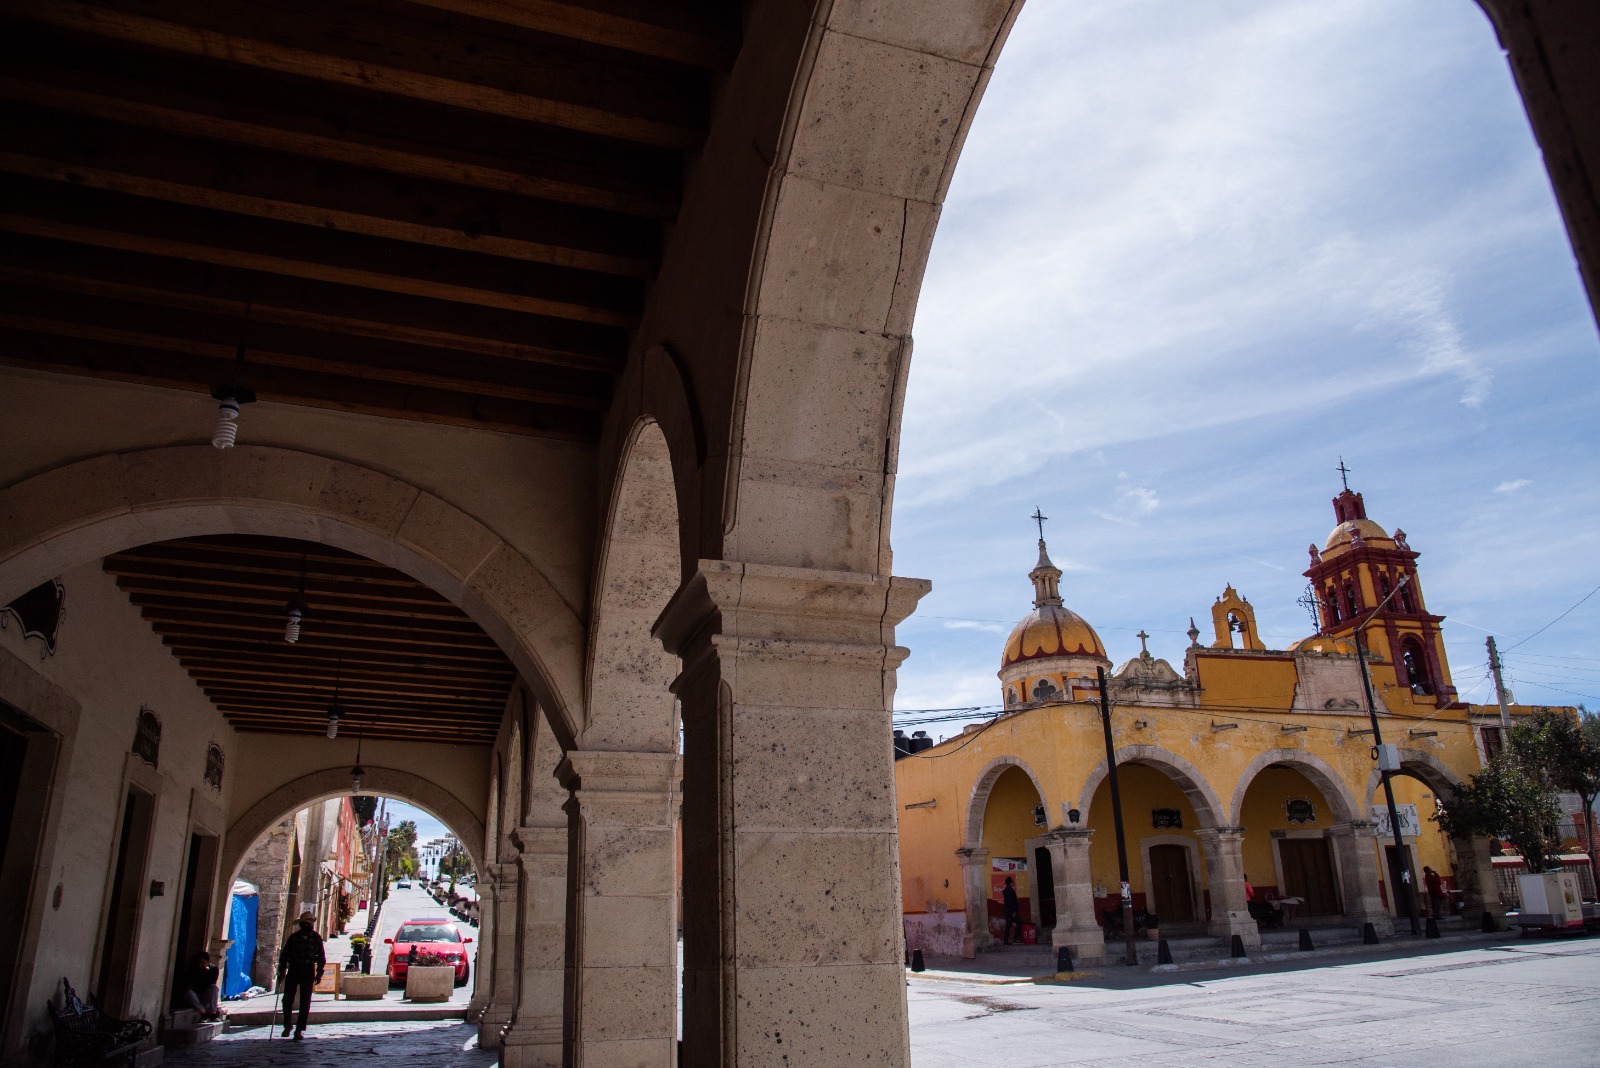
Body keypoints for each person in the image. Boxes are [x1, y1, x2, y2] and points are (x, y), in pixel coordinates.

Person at [277, 911, 325, 1040]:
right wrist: (282, 970)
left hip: (308, 970)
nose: (307, 925)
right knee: (287, 999)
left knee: (305, 1001)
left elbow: (321, 956)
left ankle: (299, 1029)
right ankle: (288, 1025)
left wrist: (320, 972)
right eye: (305, 923)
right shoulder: (294, 938)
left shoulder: (316, 938)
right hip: (294, 969)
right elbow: (284, 955)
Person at [182, 951, 223, 1021]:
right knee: (189, 993)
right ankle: (203, 1013)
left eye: (203, 963)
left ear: (208, 962)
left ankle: (213, 1013)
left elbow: (212, 982)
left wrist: (207, 972)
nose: (201, 965)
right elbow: (191, 984)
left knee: (214, 988)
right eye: (199, 963)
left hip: (206, 996)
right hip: (196, 996)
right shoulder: (193, 970)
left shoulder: (213, 969)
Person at [1000, 876, 1022, 945]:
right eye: (1012, 881)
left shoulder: (1007, 890)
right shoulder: (1010, 891)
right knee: (1019, 922)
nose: (1013, 882)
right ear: (1010, 883)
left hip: (1007, 910)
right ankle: (1016, 938)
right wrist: (1014, 911)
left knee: (1008, 925)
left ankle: (1006, 940)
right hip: (1010, 911)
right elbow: (1011, 902)